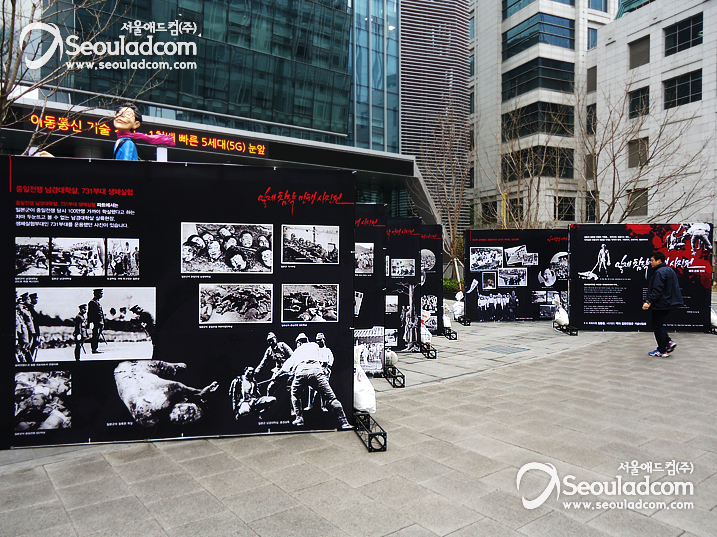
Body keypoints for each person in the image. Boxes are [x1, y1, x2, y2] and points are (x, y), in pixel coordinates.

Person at [642, 251, 683, 357]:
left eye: (652, 260)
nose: (650, 262)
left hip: (660, 304)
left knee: (657, 326)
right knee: (659, 324)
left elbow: (657, 290)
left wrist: (648, 302)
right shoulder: (669, 270)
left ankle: (662, 350)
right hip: (668, 303)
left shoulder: (659, 272)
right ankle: (668, 342)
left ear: (659, 261)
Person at [88, 288, 105, 354]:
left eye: (102, 293)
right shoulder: (92, 302)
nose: (101, 295)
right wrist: (90, 322)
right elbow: (90, 313)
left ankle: (95, 348)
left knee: (97, 336)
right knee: (95, 336)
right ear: (96, 294)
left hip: (99, 322)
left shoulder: (97, 302)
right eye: (100, 293)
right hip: (95, 322)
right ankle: (94, 349)